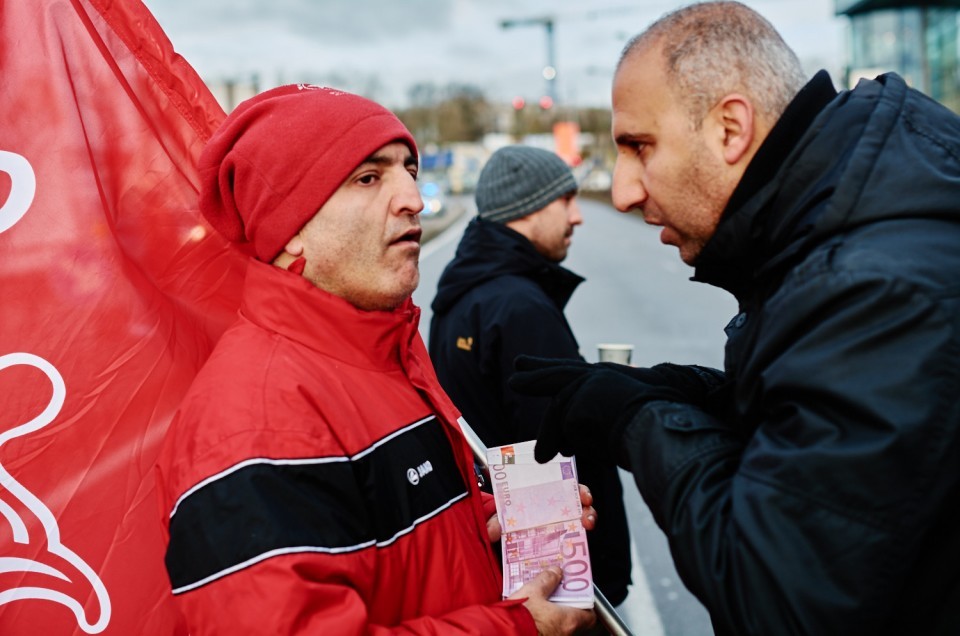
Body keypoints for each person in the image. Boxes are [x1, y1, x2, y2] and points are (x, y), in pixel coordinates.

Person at [509, 2, 960, 635]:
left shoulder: (873, 285)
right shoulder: (853, 233)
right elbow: (823, 444)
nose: (621, 192)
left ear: (729, 129)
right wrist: (686, 393)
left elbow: (775, 595)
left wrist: (636, 421)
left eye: (640, 147)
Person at [155, 84, 596, 635]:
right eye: (369, 177)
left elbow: (380, 533)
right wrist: (520, 628)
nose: (412, 196)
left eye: (408, 169)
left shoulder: (386, 357)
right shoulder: (252, 419)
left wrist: (485, 520)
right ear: (288, 228)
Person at [428, 145, 633, 607]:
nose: (577, 216)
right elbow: (556, 445)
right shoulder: (520, 307)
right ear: (528, 207)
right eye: (566, 201)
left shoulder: (463, 293)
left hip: (501, 559)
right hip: (556, 574)